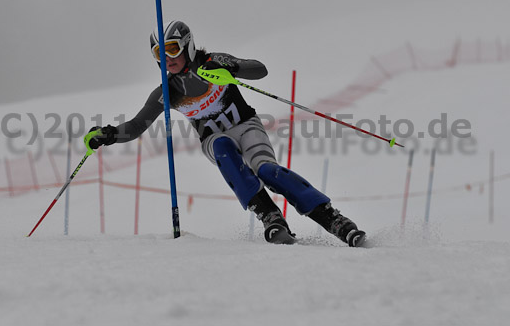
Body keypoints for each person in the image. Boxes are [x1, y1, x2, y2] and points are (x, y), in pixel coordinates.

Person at [87, 20, 366, 247]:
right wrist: (109, 134)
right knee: (222, 146)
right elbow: (137, 126)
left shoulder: (212, 61)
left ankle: (333, 219)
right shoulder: (167, 91)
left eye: (172, 49)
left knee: (267, 170)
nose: (168, 58)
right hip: (213, 139)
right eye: (160, 53)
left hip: (247, 127)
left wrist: (231, 68)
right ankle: (271, 217)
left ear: (188, 46)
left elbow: (260, 70)